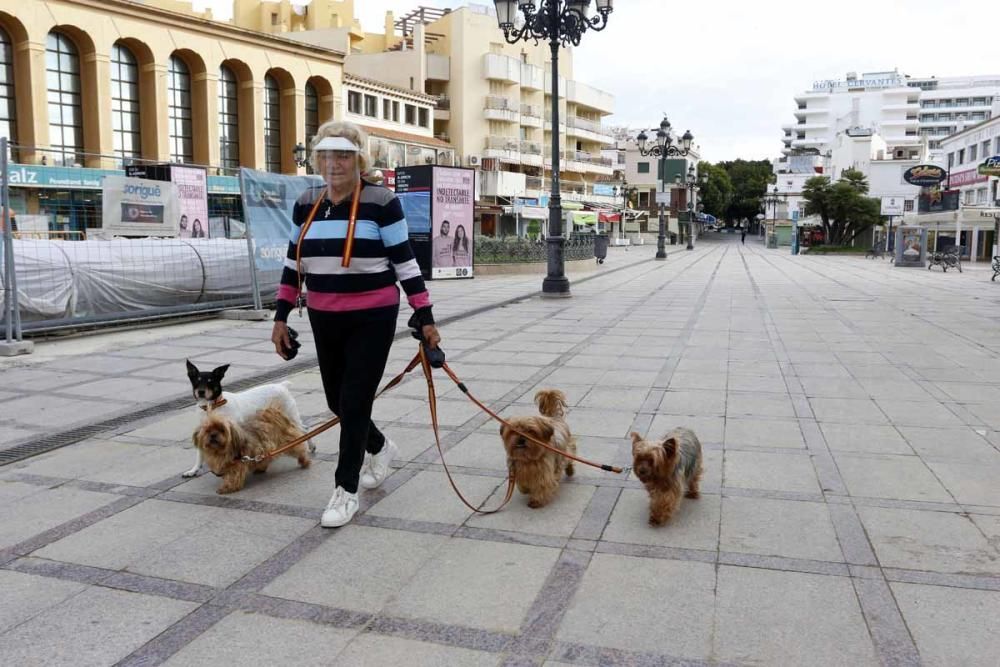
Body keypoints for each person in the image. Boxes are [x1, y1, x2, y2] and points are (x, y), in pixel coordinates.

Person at [271, 120, 441, 528]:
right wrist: (280, 315)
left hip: (373, 315)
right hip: (323, 315)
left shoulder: (381, 202)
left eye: (343, 155)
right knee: (337, 401)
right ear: (317, 159)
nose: (334, 163)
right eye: (326, 155)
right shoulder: (306, 202)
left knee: (354, 399)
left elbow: (404, 262)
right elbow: (294, 262)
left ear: (359, 159)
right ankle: (380, 447)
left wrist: (426, 315)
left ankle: (345, 491)